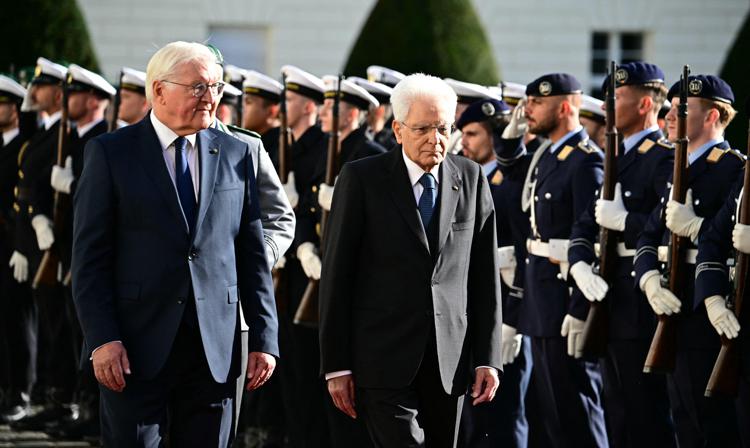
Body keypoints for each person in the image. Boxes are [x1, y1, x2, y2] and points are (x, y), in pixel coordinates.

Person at [71, 41, 278, 447]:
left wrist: (264, 339)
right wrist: (102, 338)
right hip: (133, 346)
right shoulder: (112, 153)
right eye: (198, 87)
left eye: (216, 87)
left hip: (213, 350)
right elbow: (90, 259)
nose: (211, 98)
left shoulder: (236, 152)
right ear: (159, 90)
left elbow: (251, 254)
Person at [319, 73, 502, 448]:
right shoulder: (362, 178)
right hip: (381, 358)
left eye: (442, 128)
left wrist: (488, 357)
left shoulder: (470, 177)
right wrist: (336, 364)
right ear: (398, 129)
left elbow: (484, 277)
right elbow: (338, 275)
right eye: (421, 129)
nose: (434, 139)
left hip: (449, 360)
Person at [496, 73, 609, 448]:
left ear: (564, 107)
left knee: (578, 411)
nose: (527, 110)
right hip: (542, 302)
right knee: (555, 418)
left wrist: (580, 309)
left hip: (565, 305)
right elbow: (512, 175)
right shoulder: (548, 155)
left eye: (536, 103)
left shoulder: (586, 161)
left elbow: (591, 242)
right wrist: (510, 138)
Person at [567, 62, 676, 448]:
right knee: (617, 409)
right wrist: (579, 263)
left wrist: (626, 221)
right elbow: (586, 223)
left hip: (639, 300)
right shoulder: (615, 153)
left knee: (645, 413)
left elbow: (666, 227)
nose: (608, 106)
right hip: (609, 297)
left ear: (646, 104)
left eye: (618, 98)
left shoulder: (663, 157)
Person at [634, 74, 744, 447]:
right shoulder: (676, 167)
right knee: (682, 413)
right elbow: (650, 234)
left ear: (712, 115)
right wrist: (648, 277)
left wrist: (697, 227)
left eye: (683, 110)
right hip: (671, 301)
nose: (668, 115)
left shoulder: (732, 167)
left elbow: (728, 238)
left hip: (705, 308)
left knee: (709, 419)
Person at [455, 97, 532, 448]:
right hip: (469, 314)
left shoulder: (510, 183)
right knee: (471, 419)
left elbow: (525, 255)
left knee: (505, 417)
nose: (464, 142)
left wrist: (513, 320)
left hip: (506, 317)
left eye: (472, 133)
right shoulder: (463, 178)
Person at [10, 57, 71, 428]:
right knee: (50, 323)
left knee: (58, 326)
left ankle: (62, 398)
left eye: (41, 86)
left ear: (59, 93)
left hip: (57, 246)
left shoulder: (65, 134)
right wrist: (32, 218)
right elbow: (27, 186)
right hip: (37, 240)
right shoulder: (43, 130)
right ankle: (53, 396)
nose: (34, 92)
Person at [0, 75, 35, 424]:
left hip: (13, 246)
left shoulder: (25, 145)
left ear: (15, 108)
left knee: (17, 321)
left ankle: (21, 392)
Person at [241, 70, 282, 168]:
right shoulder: (250, 140)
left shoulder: (280, 148)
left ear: (272, 111)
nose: (243, 108)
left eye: (248, 102)